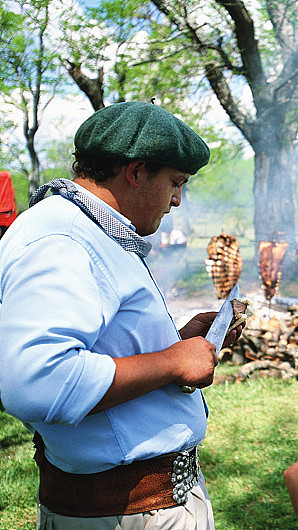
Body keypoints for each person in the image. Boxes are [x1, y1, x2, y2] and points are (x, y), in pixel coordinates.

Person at [0, 101, 241, 528]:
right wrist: (172, 363)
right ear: (137, 171)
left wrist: (177, 342)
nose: (177, 200)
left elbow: (101, 346)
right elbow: (37, 383)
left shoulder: (87, 229)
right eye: (175, 183)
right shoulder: (63, 239)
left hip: (142, 507)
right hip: (127, 514)